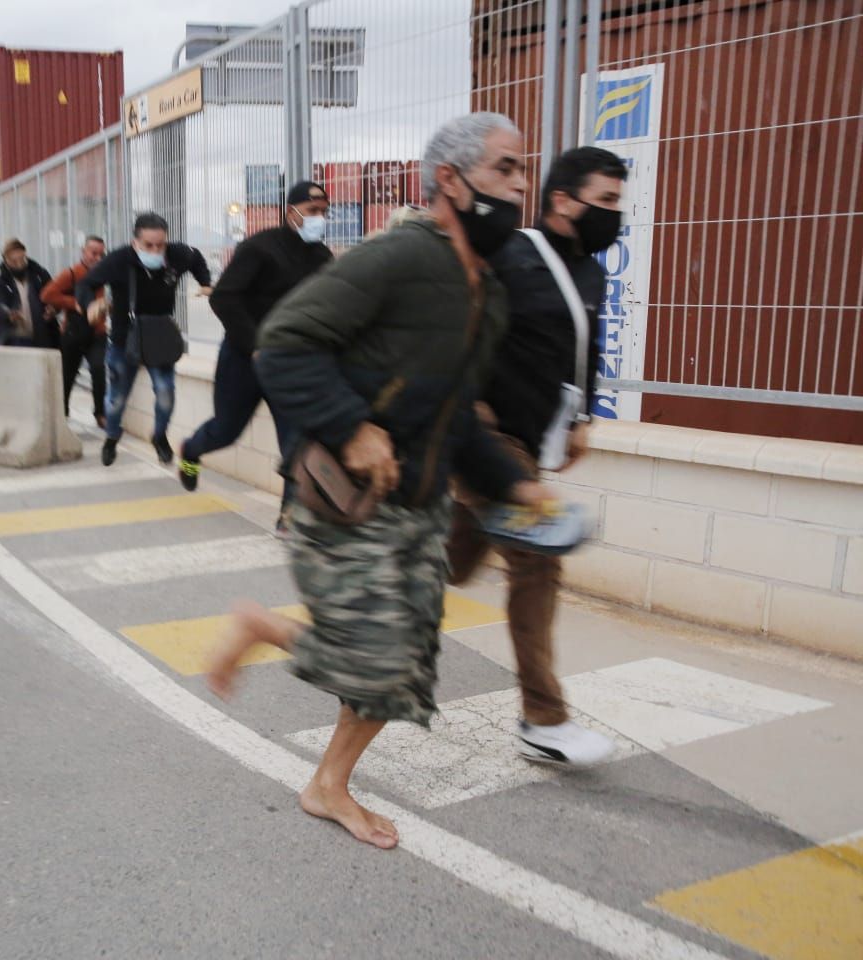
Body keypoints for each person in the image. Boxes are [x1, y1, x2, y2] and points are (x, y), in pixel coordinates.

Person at [205, 113, 548, 850]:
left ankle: (327, 784)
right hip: (347, 499)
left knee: (405, 670)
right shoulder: (399, 258)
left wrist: (511, 485)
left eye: (524, 170)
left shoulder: (480, 288)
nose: (521, 185)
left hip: (420, 503)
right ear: (450, 181)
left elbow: (454, 419)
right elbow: (284, 341)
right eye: (506, 169)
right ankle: (261, 630)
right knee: (375, 657)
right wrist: (352, 427)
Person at [446, 146, 628, 767]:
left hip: (530, 442)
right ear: (561, 201)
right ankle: (543, 721)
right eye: (604, 200)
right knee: (538, 559)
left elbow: (586, 344)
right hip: (484, 433)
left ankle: (369, 590)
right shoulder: (509, 255)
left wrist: (582, 418)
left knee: (447, 565)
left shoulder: (592, 272)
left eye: (617, 201)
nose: (614, 213)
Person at [178, 181, 334, 497]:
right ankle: (190, 451)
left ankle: (290, 516)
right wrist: (255, 346)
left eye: (324, 211)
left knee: (296, 441)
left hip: (290, 363)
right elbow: (223, 298)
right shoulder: (259, 247)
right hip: (244, 357)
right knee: (226, 431)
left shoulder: (322, 256)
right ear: (292, 213)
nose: (321, 217)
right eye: (313, 210)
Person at [75, 213, 212, 466]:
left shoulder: (177, 254)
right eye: (148, 245)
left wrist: (205, 282)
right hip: (123, 338)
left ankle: (159, 436)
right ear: (135, 242)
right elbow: (84, 284)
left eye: (160, 244)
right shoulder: (118, 260)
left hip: (158, 335)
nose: (155, 250)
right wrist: (90, 303)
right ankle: (112, 435)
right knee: (116, 399)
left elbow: (196, 258)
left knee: (165, 394)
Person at [41, 235, 108, 426]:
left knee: (98, 369)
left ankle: (100, 413)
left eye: (101, 254)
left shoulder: (103, 274)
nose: (97, 257)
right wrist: (73, 303)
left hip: (97, 332)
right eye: (93, 253)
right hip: (74, 333)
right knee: (67, 375)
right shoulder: (71, 273)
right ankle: (62, 413)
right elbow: (47, 294)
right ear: (83, 252)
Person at [0, 239, 56, 348]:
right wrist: (9, 314)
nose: (19, 265)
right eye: (14, 261)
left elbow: (53, 295)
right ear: (6, 261)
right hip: (13, 338)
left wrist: (53, 308)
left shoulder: (39, 274)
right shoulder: (0, 279)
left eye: (22, 259)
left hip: (42, 336)